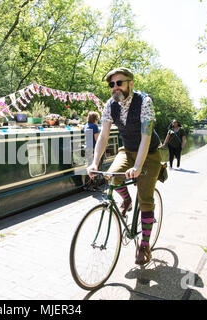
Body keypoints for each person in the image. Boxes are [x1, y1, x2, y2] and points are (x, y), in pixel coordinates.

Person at [86, 67, 162, 265]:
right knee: (111, 176)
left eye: (119, 83)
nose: (115, 87)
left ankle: (144, 245)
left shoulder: (144, 102)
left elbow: (146, 137)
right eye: (111, 84)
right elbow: (102, 137)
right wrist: (94, 162)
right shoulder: (110, 105)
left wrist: (137, 167)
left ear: (131, 83)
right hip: (127, 150)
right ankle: (126, 200)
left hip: (150, 153)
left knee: (146, 199)